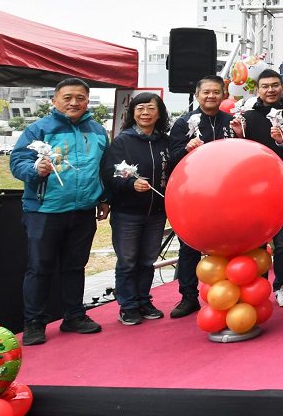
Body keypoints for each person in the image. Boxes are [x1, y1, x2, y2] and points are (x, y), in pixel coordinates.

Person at [10, 78, 109, 345]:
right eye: (67, 97)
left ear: (87, 101)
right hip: (44, 210)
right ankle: (34, 322)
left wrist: (104, 198)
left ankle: (74, 316)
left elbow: (104, 168)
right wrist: (35, 170)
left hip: (83, 211)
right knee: (39, 267)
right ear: (54, 100)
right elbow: (18, 161)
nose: (74, 102)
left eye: (80, 97)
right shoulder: (38, 130)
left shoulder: (98, 131)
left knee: (75, 266)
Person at [167, 75, 235, 318]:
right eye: (206, 92)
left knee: (231, 245)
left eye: (216, 92)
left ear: (223, 95)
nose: (211, 96)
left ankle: (231, 293)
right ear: (197, 95)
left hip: (229, 195)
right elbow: (171, 156)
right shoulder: (184, 122)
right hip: (195, 196)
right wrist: (186, 148)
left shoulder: (232, 121)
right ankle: (188, 297)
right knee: (190, 246)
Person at [101, 92, 170, 326]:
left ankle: (143, 300)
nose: (145, 113)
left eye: (150, 108)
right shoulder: (123, 141)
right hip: (127, 213)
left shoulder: (164, 141)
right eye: (139, 109)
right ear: (132, 113)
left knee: (147, 261)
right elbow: (110, 175)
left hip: (157, 213)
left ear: (159, 112)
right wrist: (131, 184)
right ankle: (128, 305)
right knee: (128, 261)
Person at [231, 68, 283, 306]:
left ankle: (282, 286)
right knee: (256, 241)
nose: (270, 90)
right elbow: (240, 153)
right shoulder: (246, 116)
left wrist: (281, 141)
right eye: (265, 86)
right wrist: (239, 135)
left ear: (282, 87)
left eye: (275, 85)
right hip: (254, 191)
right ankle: (258, 284)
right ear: (258, 90)